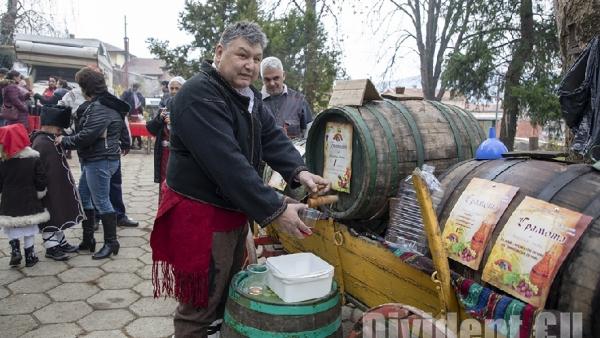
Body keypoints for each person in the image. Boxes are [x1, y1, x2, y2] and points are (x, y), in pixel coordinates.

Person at [150, 21, 329, 337]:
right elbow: (228, 164)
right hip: (201, 213)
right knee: (199, 305)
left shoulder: (246, 95)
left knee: (226, 293)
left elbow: (271, 137)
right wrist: (275, 210)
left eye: (257, 58)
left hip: (231, 208)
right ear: (220, 52)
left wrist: (298, 170)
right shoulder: (198, 95)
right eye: (243, 55)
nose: (251, 65)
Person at [57, 67, 130, 260]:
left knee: (102, 201)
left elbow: (87, 136)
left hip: (100, 160)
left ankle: (111, 242)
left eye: (81, 85)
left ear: (86, 86)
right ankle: (88, 239)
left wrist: (64, 141)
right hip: (97, 159)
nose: (79, 88)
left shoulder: (100, 107)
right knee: (84, 197)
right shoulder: (104, 103)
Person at [31, 105, 85, 261]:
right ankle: (51, 246)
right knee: (49, 215)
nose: (61, 131)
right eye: (59, 128)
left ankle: (60, 241)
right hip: (46, 188)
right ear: (51, 126)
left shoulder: (50, 138)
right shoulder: (41, 142)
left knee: (58, 212)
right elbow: (38, 169)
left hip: (56, 185)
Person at [0, 123, 48, 267]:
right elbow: (41, 178)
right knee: (29, 227)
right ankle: (30, 256)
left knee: (12, 225)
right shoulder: (33, 158)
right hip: (29, 198)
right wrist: (41, 191)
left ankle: (15, 251)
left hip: (9, 199)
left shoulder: (2, 160)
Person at [146, 76, 185, 197]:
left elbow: (190, 132)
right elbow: (151, 129)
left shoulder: (188, 107)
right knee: (164, 182)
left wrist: (173, 124)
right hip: (163, 153)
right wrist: (159, 118)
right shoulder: (164, 105)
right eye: (171, 88)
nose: (173, 91)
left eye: (177, 88)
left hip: (179, 153)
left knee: (176, 183)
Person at [261, 56, 313, 139]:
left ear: (284, 75)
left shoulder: (299, 101)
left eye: (276, 78)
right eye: (267, 79)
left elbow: (310, 134)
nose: (272, 83)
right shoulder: (254, 103)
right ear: (262, 79)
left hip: (294, 151)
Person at [120, 83, 145, 149]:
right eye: (134, 87)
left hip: (136, 114)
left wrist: (140, 110)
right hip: (128, 113)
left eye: (136, 87)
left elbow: (142, 102)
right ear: (132, 86)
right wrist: (125, 110)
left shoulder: (138, 94)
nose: (135, 89)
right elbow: (122, 100)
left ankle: (137, 143)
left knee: (136, 128)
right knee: (129, 128)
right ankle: (131, 143)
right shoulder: (127, 93)